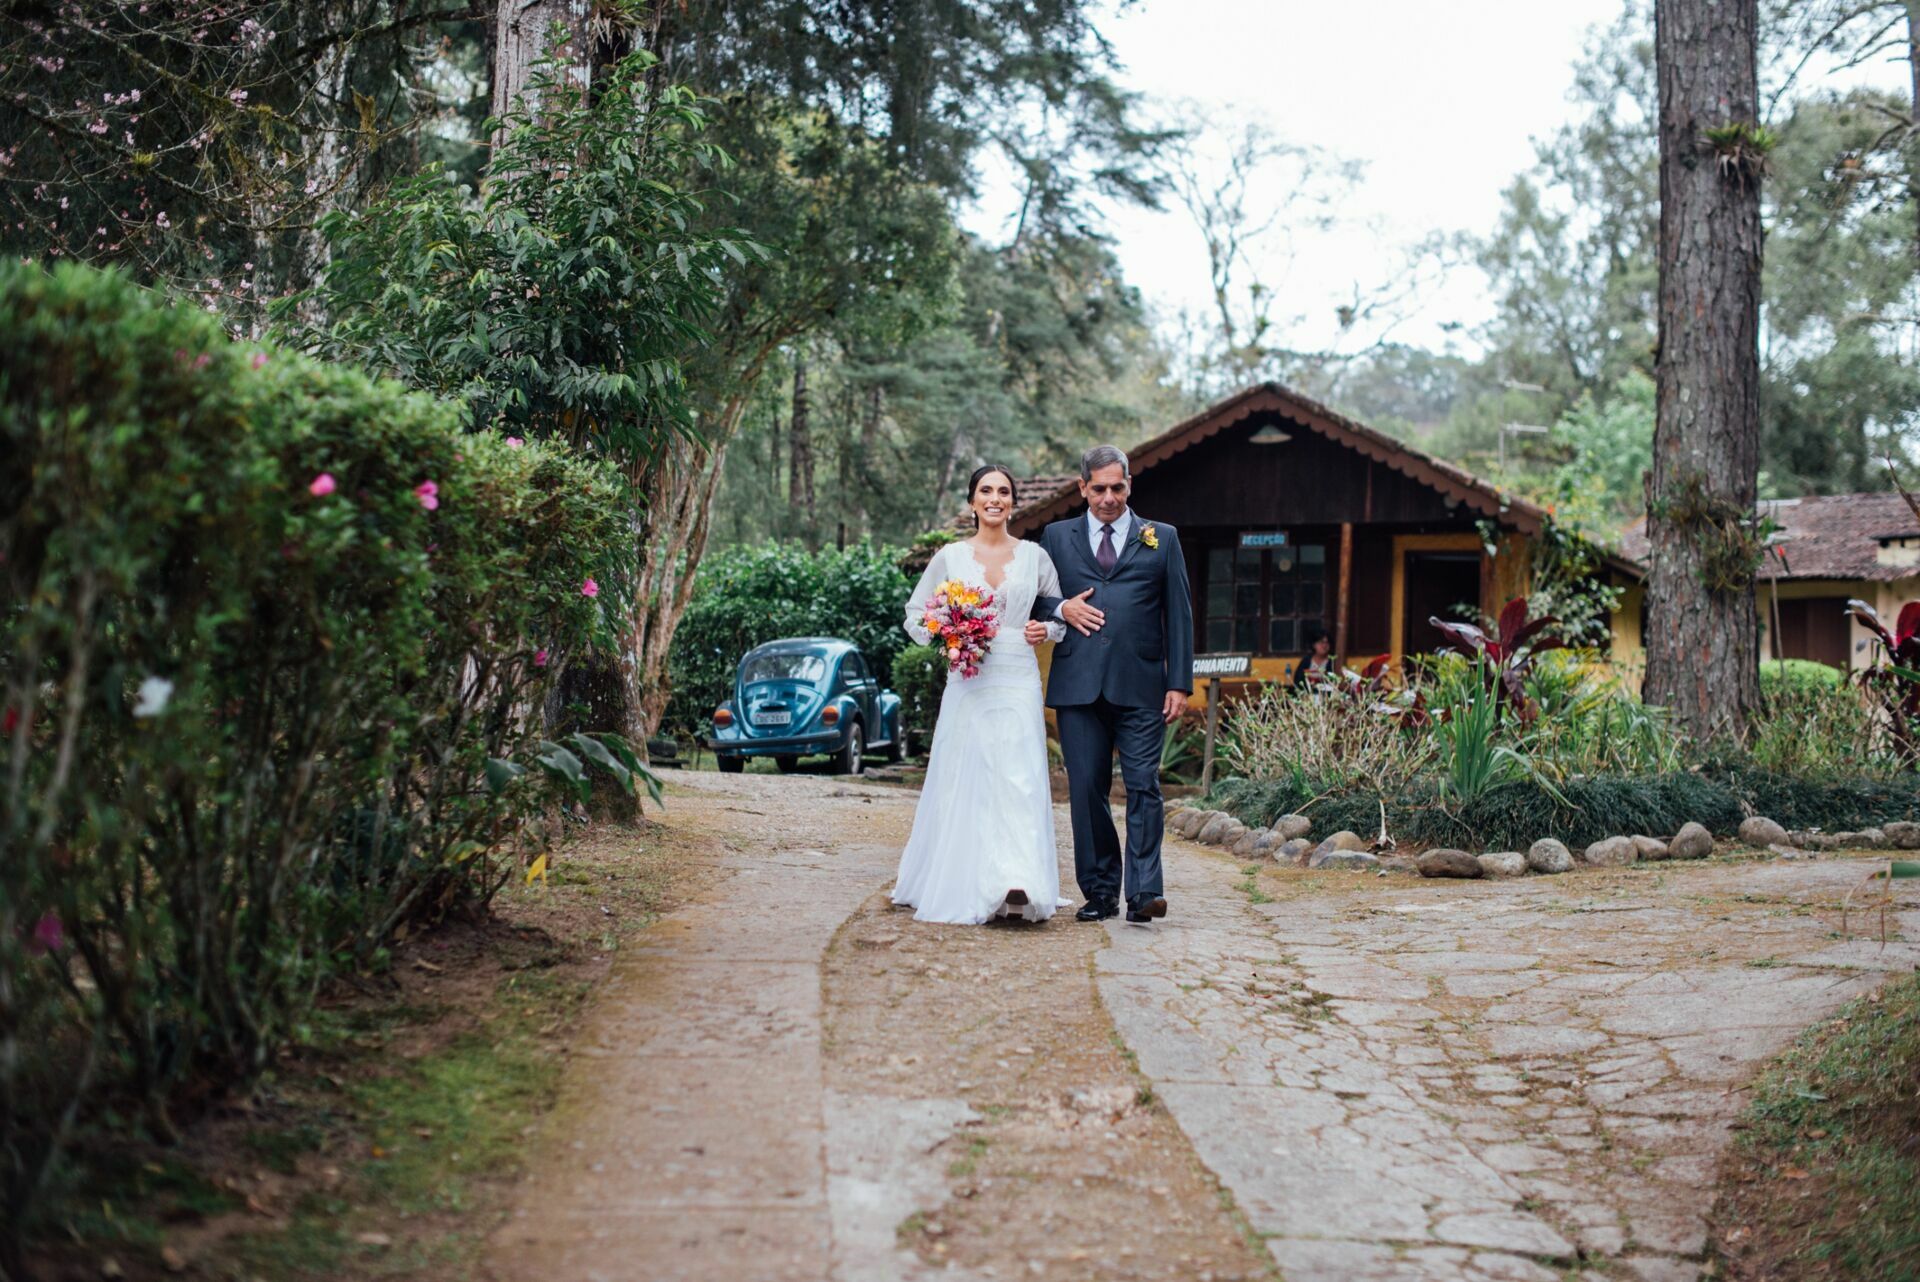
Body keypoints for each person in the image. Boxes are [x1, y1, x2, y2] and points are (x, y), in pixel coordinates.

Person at [891, 466, 1070, 924]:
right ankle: (964, 876)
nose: (995, 499)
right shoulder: (949, 557)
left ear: (1013, 502)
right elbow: (916, 614)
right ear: (972, 502)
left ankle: (1019, 881)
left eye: (1004, 492)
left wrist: (1043, 628)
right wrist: (946, 633)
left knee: (1019, 776)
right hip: (969, 676)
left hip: (1018, 673)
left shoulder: (1035, 558)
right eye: (986, 491)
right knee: (967, 772)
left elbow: (1059, 617)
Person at [1031, 444, 1194, 925]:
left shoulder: (1160, 538)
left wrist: (1179, 683)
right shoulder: (1056, 538)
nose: (1108, 497)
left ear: (1129, 485)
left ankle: (1144, 892)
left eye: (1116, 487)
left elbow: (1179, 616)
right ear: (1082, 488)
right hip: (1079, 685)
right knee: (1086, 790)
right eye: (1098, 488)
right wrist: (1062, 608)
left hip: (1143, 685)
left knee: (1144, 786)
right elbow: (1031, 598)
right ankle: (1100, 892)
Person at [1291, 625, 1339, 694]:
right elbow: (1297, 681)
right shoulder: (1306, 661)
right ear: (1313, 645)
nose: (1324, 645)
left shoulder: (1333, 662)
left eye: (1327, 642)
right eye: (1321, 642)